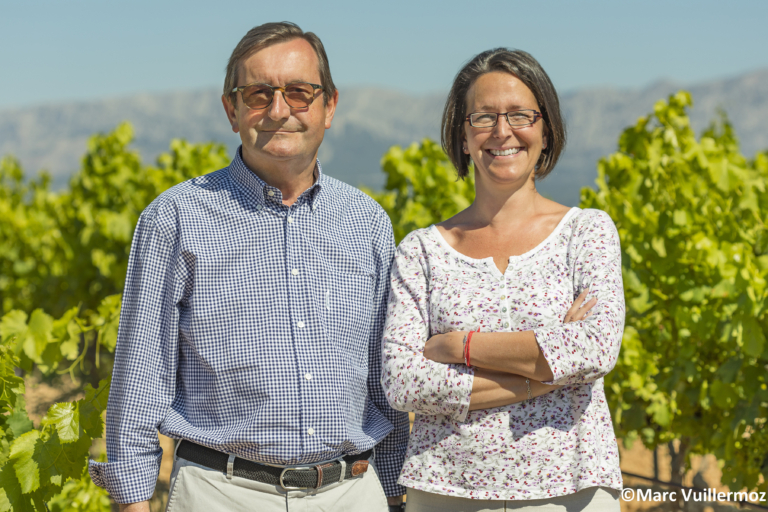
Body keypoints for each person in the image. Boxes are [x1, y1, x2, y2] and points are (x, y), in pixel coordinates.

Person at [89, 22, 408, 512]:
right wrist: (132, 500)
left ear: (329, 106)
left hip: (352, 493)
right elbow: (141, 375)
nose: (279, 110)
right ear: (231, 110)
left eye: (299, 92)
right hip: (221, 494)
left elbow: (383, 383)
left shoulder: (366, 222)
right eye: (259, 94)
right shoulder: (175, 218)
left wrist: (393, 491)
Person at [381, 48, 624, 511]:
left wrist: (459, 346)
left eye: (520, 115)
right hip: (446, 490)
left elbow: (594, 348)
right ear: (463, 136)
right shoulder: (421, 251)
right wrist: (547, 372)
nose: (502, 130)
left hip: (572, 488)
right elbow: (403, 382)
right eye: (484, 117)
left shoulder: (586, 231)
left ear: (546, 130)